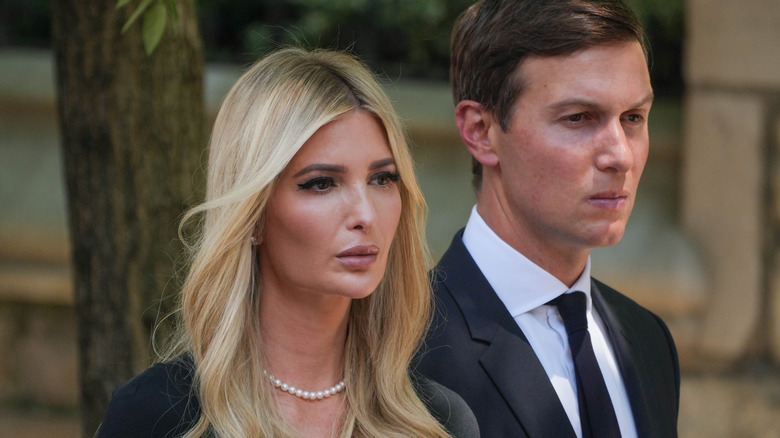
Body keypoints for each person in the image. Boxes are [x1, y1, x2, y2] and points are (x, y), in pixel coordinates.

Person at [97, 47, 479, 438]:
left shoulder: (440, 422)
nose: (365, 214)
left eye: (382, 179)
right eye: (321, 183)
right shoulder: (154, 415)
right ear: (253, 215)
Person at [414, 1, 680, 437]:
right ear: (480, 131)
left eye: (633, 118)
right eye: (578, 118)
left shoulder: (649, 340)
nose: (621, 155)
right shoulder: (403, 348)